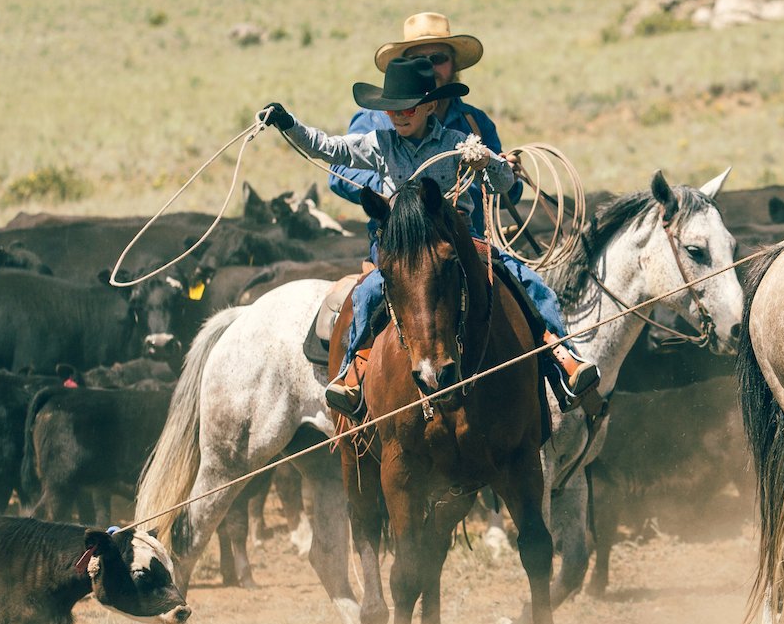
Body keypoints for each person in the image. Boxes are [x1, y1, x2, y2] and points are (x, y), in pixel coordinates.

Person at [255, 55, 599, 419]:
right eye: (392, 110)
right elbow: (328, 147)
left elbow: (504, 185)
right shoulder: (379, 144)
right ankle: (353, 372)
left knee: (525, 279)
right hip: (400, 248)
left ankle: (562, 355)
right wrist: (288, 123)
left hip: (457, 240)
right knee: (369, 292)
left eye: (408, 108)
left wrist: (489, 162)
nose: (398, 116)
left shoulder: (458, 142)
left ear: (430, 105)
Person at [326, 12, 516, 211]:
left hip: (463, 232)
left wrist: (505, 173)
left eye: (438, 58)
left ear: (453, 64)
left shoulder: (475, 121)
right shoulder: (375, 117)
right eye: (418, 60)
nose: (429, 67)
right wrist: (401, 190)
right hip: (396, 234)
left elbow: (503, 196)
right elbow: (340, 173)